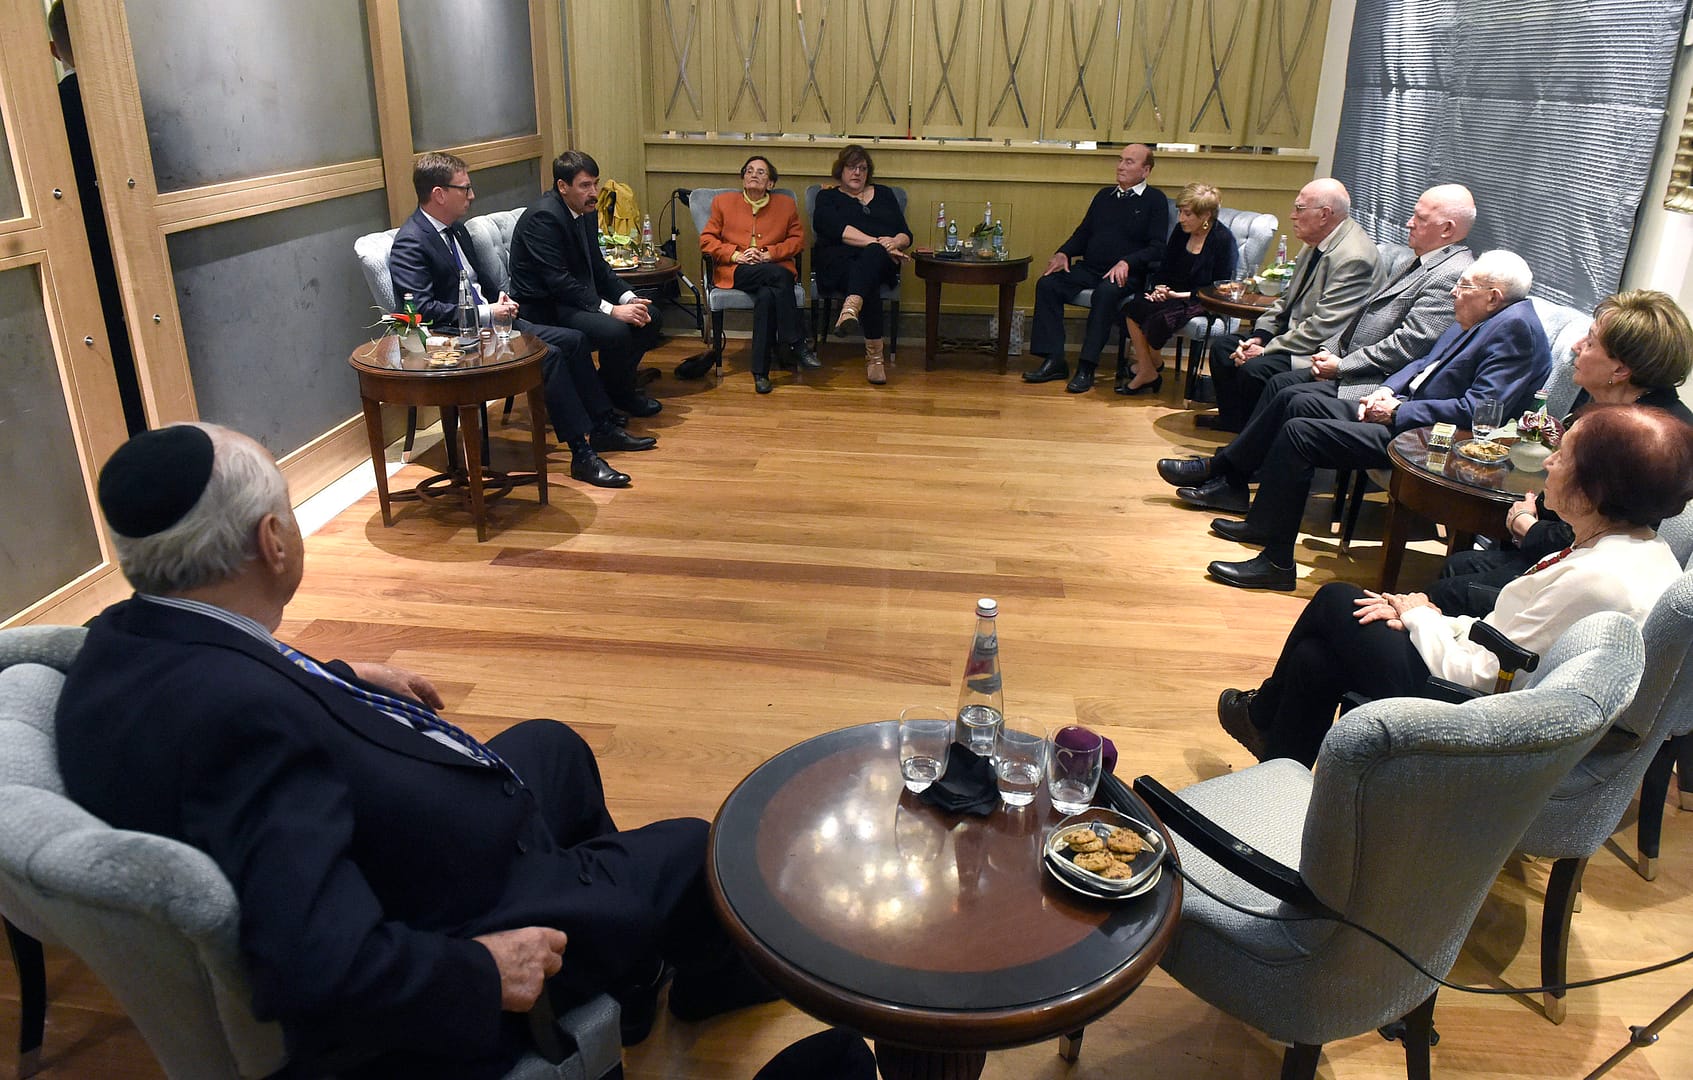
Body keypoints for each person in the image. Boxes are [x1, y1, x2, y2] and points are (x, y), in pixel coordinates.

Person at [55, 424, 776, 1079]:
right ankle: (694, 983)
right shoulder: (240, 725)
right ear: (272, 541)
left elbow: (242, 699)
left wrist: (336, 678)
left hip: (392, 843)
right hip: (457, 916)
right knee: (694, 849)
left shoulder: (121, 639)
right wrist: (482, 971)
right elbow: (317, 966)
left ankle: (626, 967)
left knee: (553, 745)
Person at [1217, 405, 1693, 766]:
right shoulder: (1635, 548)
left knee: (1335, 599)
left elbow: (1485, 678)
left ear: (1594, 490)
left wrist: (1419, 618)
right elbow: (1506, 636)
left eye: (1563, 456)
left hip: (1481, 721)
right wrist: (1430, 617)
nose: (1549, 462)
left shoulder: (1599, 582)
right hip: (1488, 685)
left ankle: (1262, 718)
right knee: (1315, 660)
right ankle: (1280, 776)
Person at [1204, 250, 1551, 590]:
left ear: (1493, 296)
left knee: (1300, 434)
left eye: (1463, 286)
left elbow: (1477, 410)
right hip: (1407, 412)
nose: (1453, 292)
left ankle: (1276, 564)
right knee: (1296, 402)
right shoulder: (1484, 315)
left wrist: (1398, 411)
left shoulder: (1515, 329)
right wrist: (1385, 391)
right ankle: (1262, 522)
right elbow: (1423, 363)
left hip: (1432, 439)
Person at [1158, 185, 1477, 513]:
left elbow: (1407, 346)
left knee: (1282, 387)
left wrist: (1340, 364)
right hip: (1350, 361)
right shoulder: (1422, 261)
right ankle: (1231, 477)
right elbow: (1357, 320)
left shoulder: (1449, 274)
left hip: (1378, 383)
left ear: (1447, 229)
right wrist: (1326, 351)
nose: (1408, 222)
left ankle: (1226, 471)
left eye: (1419, 218)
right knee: (1276, 385)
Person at [388, 152, 648, 489]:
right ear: (439, 194)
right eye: (464, 188)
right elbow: (421, 310)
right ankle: (581, 454)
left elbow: (480, 285)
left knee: (574, 340)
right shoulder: (411, 242)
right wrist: (487, 313)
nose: (471, 195)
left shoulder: (456, 231)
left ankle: (601, 426)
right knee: (550, 355)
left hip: (494, 323)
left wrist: (500, 300)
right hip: (456, 338)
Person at [1430, 290, 1693, 615]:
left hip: (1593, 579)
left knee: (1449, 591)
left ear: (1620, 370)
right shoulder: (1613, 408)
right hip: (1565, 550)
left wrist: (1528, 527)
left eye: (1591, 342)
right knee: (1459, 566)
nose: (1575, 346)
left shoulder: (1646, 439)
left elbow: (1612, 536)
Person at [1202, 178, 1380, 432]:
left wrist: (1265, 350)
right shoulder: (1316, 242)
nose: (1292, 215)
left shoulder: (1353, 257)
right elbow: (1286, 300)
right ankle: (1236, 425)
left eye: (1299, 208)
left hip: (1320, 351)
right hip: (1294, 336)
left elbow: (1323, 327)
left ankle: (1252, 437)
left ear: (1324, 214)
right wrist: (1261, 336)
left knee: (1255, 368)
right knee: (1224, 349)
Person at [48, 1, 146, 436]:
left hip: (84, 252)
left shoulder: (49, 113)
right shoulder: (135, 99)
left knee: (113, 353)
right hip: (150, 243)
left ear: (54, 51)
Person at [508, 151, 665, 418]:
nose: (594, 193)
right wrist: (612, 310)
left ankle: (614, 391)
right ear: (562, 186)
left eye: (595, 183)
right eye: (585, 185)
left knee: (650, 316)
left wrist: (628, 298)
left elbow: (598, 266)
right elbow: (559, 282)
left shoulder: (587, 210)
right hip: (545, 307)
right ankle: (607, 398)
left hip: (575, 299)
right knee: (615, 330)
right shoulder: (543, 218)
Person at [1023, 143, 1171, 393]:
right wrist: (1064, 252)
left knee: (1106, 293)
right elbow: (1084, 233)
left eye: (1129, 162)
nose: (1120, 166)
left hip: (1127, 274)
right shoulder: (1104, 196)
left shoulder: (1155, 200)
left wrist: (1127, 261)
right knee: (1048, 284)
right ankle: (1054, 359)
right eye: (1120, 160)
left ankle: (1087, 366)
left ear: (1146, 170)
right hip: (1091, 268)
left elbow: (1157, 248)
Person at [699, 155, 815, 395]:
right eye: (749, 171)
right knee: (781, 277)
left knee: (766, 296)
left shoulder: (785, 205)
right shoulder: (723, 202)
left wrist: (768, 254)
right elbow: (707, 240)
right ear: (743, 179)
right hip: (738, 270)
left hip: (770, 267)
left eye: (761, 172)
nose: (754, 175)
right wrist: (736, 255)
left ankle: (760, 373)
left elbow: (797, 241)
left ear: (770, 183)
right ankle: (796, 341)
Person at [1117, 182, 1238, 395]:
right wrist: (1159, 288)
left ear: (1206, 215)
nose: (1181, 218)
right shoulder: (1181, 232)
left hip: (1202, 299)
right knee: (1134, 308)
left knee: (1161, 319)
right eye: (1180, 212)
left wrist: (1178, 295)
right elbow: (1166, 266)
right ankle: (1148, 368)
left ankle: (1147, 369)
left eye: (1187, 214)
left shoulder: (1223, 239)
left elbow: (1220, 286)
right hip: (1173, 292)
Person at [812, 144, 912, 385]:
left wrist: (895, 241)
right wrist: (880, 245)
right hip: (838, 263)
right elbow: (837, 230)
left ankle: (850, 308)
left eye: (863, 168)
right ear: (841, 170)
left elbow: (906, 233)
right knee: (869, 280)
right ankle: (875, 359)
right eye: (851, 167)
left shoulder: (885, 194)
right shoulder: (827, 197)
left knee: (871, 264)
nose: (857, 172)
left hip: (880, 261)